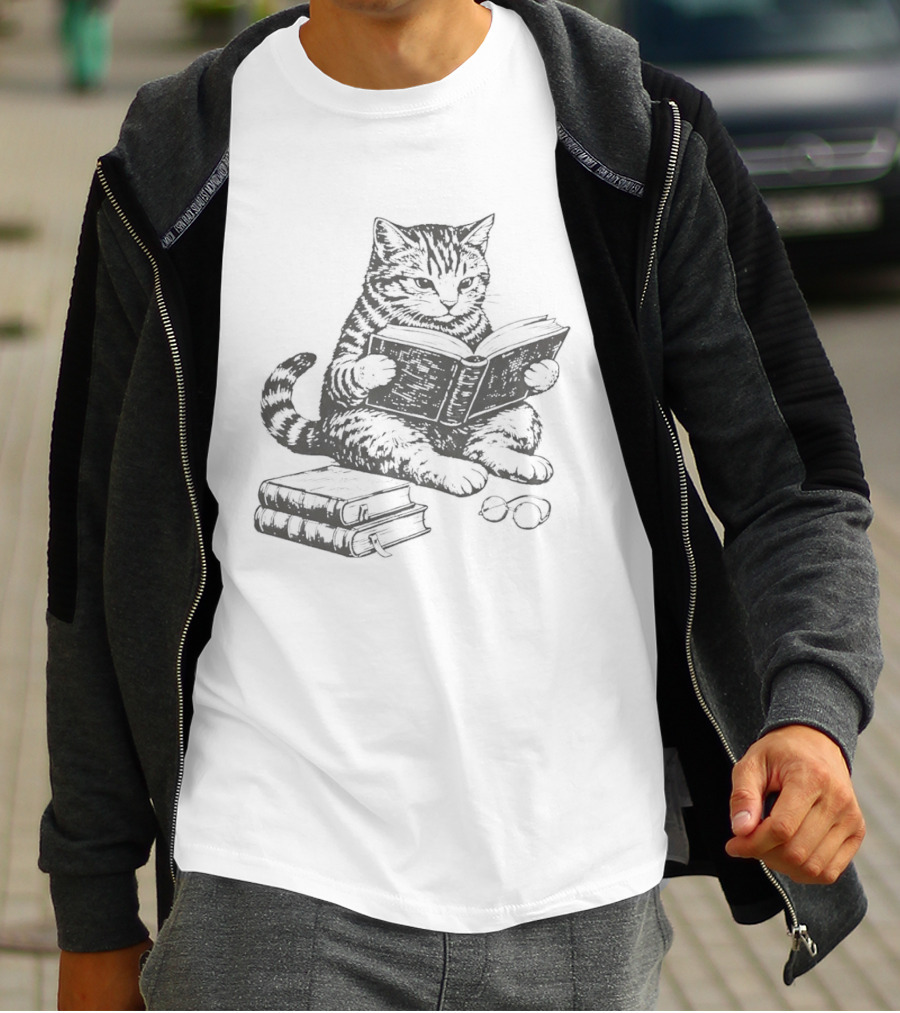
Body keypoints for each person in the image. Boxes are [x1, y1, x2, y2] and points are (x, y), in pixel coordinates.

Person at [41, 0, 881, 1008]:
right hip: (268, 885)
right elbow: (89, 560)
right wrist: (93, 911)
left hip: (580, 883)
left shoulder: (632, 134)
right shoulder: (174, 164)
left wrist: (813, 714)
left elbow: (797, 480)